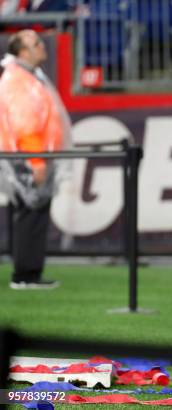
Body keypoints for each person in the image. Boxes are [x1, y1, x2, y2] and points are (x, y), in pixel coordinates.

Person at [0, 29, 71, 289]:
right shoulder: (19, 80)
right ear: (22, 52)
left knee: (31, 213)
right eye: (36, 43)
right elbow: (25, 124)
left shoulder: (27, 76)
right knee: (30, 214)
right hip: (29, 156)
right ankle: (25, 275)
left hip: (31, 154)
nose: (43, 46)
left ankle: (28, 272)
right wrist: (36, 161)